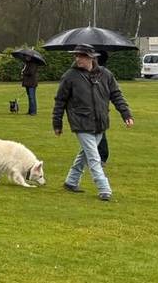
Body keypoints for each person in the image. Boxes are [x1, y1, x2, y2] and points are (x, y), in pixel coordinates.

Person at [51, 44, 134, 202]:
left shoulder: (105, 74)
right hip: (81, 122)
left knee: (86, 154)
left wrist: (126, 114)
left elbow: (116, 95)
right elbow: (60, 101)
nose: (77, 58)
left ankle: (71, 181)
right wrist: (57, 123)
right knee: (94, 157)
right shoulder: (70, 76)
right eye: (76, 55)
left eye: (81, 56)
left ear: (91, 57)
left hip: (100, 122)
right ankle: (104, 188)